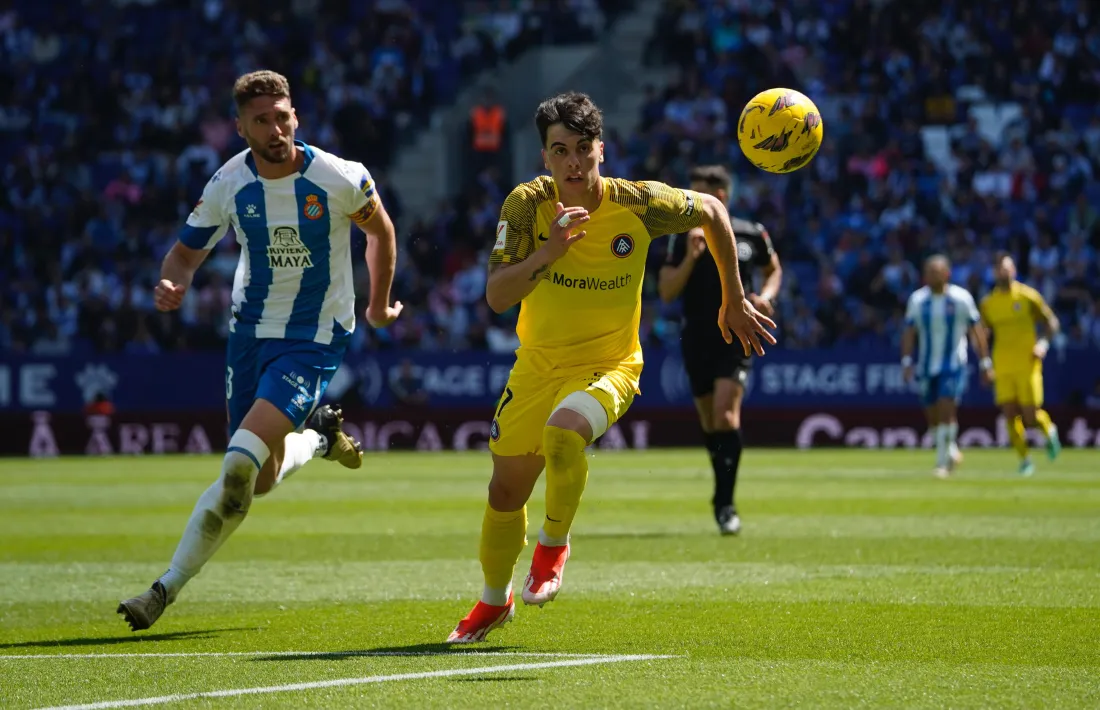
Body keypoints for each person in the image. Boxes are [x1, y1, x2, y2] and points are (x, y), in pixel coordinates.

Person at [445, 92, 776, 644]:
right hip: (537, 366)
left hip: (610, 364)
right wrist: (547, 252)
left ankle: (554, 546)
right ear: (545, 157)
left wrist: (733, 298)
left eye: (582, 149)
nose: (573, 163)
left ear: (602, 149)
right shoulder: (527, 206)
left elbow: (715, 211)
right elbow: (498, 296)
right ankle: (492, 602)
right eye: (559, 151)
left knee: (563, 433)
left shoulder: (640, 203)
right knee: (504, 495)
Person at [117, 70, 403, 631]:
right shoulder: (229, 184)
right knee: (261, 478)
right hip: (249, 334)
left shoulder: (338, 177)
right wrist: (174, 284)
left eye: (283, 116)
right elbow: (183, 255)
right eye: (262, 120)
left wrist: (377, 306)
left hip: (314, 335)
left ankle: (163, 589)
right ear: (241, 127)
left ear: (296, 116)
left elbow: (382, 233)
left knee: (237, 467)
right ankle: (318, 438)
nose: (276, 129)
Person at [657, 164, 782, 535]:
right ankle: (720, 493)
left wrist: (765, 296)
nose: (690, 200)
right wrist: (692, 258)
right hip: (696, 336)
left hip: (736, 334)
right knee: (711, 423)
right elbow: (666, 292)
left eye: (699, 193)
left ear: (721, 196)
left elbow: (773, 269)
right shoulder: (680, 237)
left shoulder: (749, 232)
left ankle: (726, 504)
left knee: (726, 417)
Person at [901, 255, 991, 478]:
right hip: (926, 365)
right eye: (928, 271)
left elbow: (976, 331)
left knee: (945, 409)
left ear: (947, 274)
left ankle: (942, 463)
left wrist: (985, 361)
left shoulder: (961, 299)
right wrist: (906, 361)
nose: (932, 275)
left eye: (936, 271)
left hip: (953, 364)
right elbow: (909, 332)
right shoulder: (917, 300)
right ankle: (950, 449)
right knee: (931, 414)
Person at [979, 252, 1061, 476]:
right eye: (999, 269)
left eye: (1006, 268)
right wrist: (985, 364)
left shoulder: (1028, 297)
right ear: (994, 273)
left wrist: (1043, 344)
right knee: (1009, 415)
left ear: (1013, 270)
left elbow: (1051, 322)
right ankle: (1025, 460)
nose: (1003, 272)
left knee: (1030, 416)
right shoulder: (989, 304)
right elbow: (981, 335)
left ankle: (1049, 429)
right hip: (1003, 365)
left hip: (1027, 363)